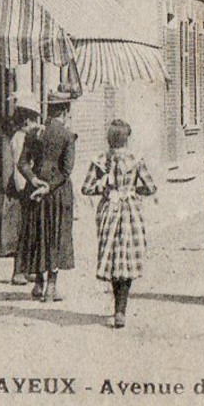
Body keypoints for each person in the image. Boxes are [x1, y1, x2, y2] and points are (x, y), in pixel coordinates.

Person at [80, 119, 156, 329]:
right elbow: (150, 187)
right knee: (127, 257)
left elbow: (85, 188)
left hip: (108, 210)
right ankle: (122, 310)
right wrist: (133, 191)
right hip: (130, 210)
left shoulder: (99, 160)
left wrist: (103, 190)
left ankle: (116, 309)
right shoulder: (136, 159)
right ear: (127, 138)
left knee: (113, 258)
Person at [14, 95, 76, 302]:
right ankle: (51, 285)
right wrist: (48, 186)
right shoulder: (67, 135)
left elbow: (22, 163)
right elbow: (66, 171)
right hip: (57, 193)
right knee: (56, 234)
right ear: (66, 111)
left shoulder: (34, 133)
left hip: (34, 190)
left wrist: (34, 180)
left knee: (37, 233)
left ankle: (38, 284)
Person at [0, 105, 40, 279]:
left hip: (21, 186)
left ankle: (25, 269)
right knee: (20, 231)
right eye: (34, 121)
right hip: (20, 188)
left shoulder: (20, 136)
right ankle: (18, 272)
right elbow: (18, 165)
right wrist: (24, 188)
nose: (36, 124)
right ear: (27, 121)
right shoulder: (20, 138)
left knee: (25, 230)